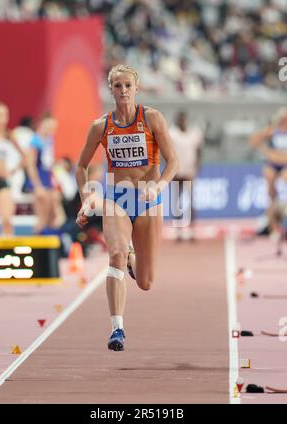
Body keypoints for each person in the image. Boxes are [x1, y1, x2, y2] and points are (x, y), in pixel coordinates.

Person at [76, 64, 178, 351]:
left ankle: (134, 261)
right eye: (117, 85)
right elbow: (81, 165)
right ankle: (117, 328)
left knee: (145, 282)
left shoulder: (152, 118)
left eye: (127, 86)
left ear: (136, 88)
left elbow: (173, 162)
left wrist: (159, 186)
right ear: (110, 89)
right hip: (115, 199)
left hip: (147, 200)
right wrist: (87, 197)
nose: (123, 90)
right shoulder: (101, 126)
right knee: (116, 255)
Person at [0, 100, 25, 236]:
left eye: (5, 115)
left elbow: (25, 157)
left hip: (1, 181)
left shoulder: (8, 135)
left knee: (7, 219)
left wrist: (12, 171)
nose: (2, 119)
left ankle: (7, 252)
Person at [249, 107, 287, 237]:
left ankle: (281, 222)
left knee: (283, 186)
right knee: (271, 198)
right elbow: (254, 140)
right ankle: (273, 228)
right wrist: (266, 152)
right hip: (272, 165)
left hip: (285, 166)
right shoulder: (273, 130)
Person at [23, 113, 62, 234]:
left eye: (54, 128)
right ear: (42, 124)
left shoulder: (49, 139)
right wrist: (38, 186)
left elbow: (49, 165)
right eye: (49, 127)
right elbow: (30, 165)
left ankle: (48, 249)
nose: (52, 130)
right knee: (42, 219)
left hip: (47, 181)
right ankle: (35, 248)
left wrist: (54, 183)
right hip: (39, 181)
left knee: (52, 218)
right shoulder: (35, 140)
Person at [169, 111, 203, 241]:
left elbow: (199, 150)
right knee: (177, 202)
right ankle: (178, 230)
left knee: (191, 201)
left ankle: (191, 229)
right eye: (180, 119)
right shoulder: (172, 133)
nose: (182, 121)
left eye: (184, 119)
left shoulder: (194, 133)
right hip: (176, 171)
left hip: (189, 171)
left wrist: (197, 166)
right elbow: (167, 151)